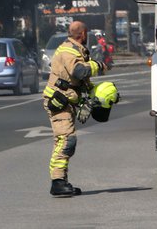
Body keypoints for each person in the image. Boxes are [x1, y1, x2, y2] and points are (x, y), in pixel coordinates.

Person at [42, 21, 107, 197]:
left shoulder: (75, 49)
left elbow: (80, 82)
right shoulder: (68, 51)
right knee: (66, 140)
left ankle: (62, 181)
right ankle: (57, 182)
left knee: (64, 140)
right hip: (59, 101)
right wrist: (98, 66)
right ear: (83, 34)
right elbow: (79, 72)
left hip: (67, 100)